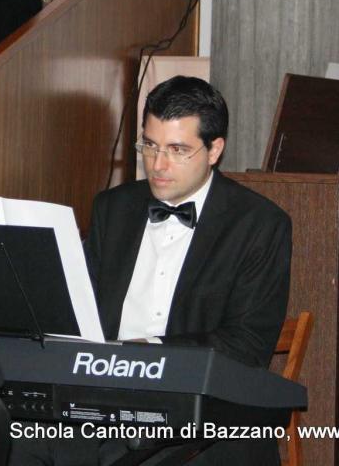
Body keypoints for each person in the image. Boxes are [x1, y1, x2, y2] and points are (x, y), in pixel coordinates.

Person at [81, 75, 292, 465]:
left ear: (215, 150)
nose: (157, 165)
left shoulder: (259, 224)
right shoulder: (112, 207)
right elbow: (82, 309)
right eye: (150, 145)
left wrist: (150, 352)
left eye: (178, 150)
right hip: (105, 400)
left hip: (200, 408)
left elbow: (247, 346)